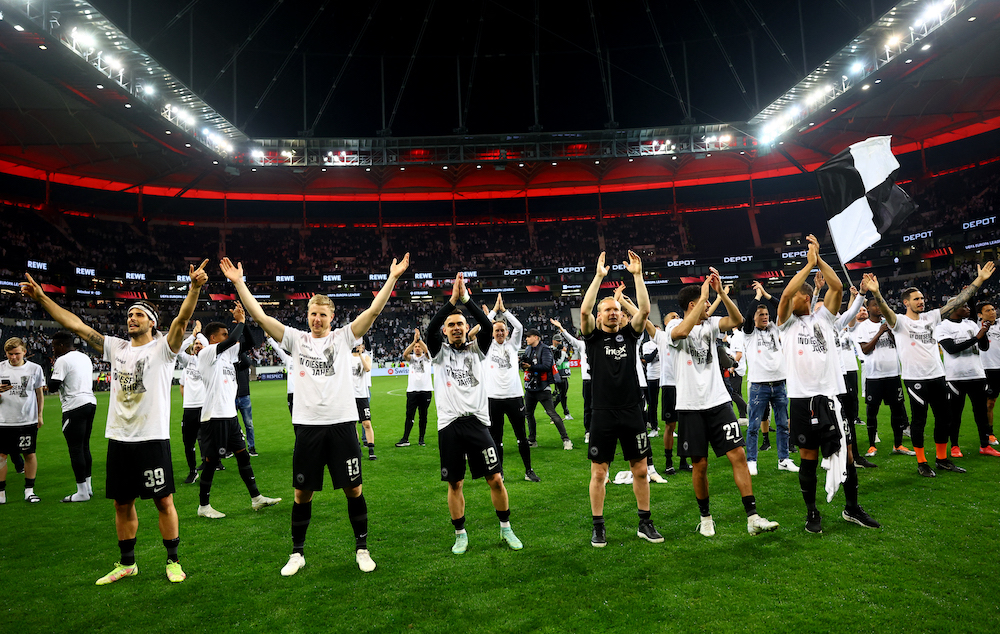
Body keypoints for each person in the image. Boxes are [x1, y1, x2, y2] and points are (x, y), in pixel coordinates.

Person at [21, 261, 210, 585]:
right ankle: (127, 563)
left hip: (152, 438)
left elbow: (181, 320)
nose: (131, 318)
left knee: (164, 500)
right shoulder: (117, 347)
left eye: (138, 314)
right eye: (129, 315)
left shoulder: (164, 349)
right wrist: (42, 299)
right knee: (122, 503)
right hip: (120, 438)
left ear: (151, 322)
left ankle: (173, 559)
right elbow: (78, 326)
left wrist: (194, 288)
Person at [220, 253, 409, 576]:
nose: (317, 319)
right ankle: (297, 553)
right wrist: (239, 284)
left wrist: (392, 277)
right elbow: (262, 318)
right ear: (307, 316)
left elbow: (374, 311)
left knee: (354, 489)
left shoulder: (344, 337)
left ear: (331, 318)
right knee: (301, 492)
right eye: (312, 314)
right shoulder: (297, 340)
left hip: (342, 426)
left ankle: (362, 549)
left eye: (322, 314)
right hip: (308, 428)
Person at [776, 235, 879, 533]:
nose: (791, 297)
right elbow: (784, 296)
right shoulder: (786, 323)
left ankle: (852, 508)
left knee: (845, 455)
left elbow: (835, 286)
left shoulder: (823, 317)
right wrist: (807, 266)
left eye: (798, 294)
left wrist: (819, 259)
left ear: (805, 298)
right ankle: (812, 513)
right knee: (808, 459)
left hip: (830, 397)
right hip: (801, 400)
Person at [670, 268, 779, 538]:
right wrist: (705, 294)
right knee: (700, 465)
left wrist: (719, 293)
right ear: (693, 305)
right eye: (705, 301)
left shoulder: (711, 324)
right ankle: (705, 517)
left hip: (719, 402)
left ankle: (752, 517)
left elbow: (738, 319)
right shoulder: (673, 326)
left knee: (738, 455)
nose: (710, 306)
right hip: (690, 406)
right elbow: (684, 330)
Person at [425, 273, 523, 555]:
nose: (456, 328)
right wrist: (450, 303)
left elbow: (487, 323)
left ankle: (506, 528)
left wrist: (466, 300)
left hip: (478, 423)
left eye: (460, 324)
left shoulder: (479, 349)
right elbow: (431, 329)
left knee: (495, 478)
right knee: (455, 482)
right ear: (446, 331)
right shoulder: (438, 352)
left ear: (468, 328)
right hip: (449, 426)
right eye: (451, 325)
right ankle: (460, 534)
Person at [867, 262, 995, 476]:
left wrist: (979, 280)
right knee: (919, 420)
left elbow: (958, 302)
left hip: (938, 376)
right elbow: (886, 311)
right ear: (906, 302)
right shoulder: (899, 322)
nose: (921, 301)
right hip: (915, 378)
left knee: (945, 419)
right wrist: (877, 292)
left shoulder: (931, 317)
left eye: (922, 298)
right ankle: (921, 462)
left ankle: (942, 459)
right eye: (916, 299)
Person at [580, 251, 664, 547]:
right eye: (607, 310)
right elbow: (583, 311)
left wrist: (638, 276)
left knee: (640, 470)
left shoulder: (630, 335)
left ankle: (645, 522)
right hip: (602, 412)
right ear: (599, 315)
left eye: (616, 309)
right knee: (599, 472)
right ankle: (598, 526)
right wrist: (599, 277)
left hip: (631, 412)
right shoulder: (591, 337)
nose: (613, 313)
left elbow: (643, 309)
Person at [195, 304, 281, 519]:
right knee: (211, 461)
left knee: (243, 456)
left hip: (230, 416)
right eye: (223, 334)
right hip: (214, 417)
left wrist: (244, 323)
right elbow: (232, 340)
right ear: (214, 337)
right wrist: (240, 322)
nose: (228, 336)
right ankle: (204, 506)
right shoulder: (207, 353)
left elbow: (249, 342)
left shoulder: (228, 356)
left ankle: (256, 498)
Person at [740, 280, 797, 476]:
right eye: (760, 314)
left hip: (780, 383)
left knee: (782, 424)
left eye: (766, 314)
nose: (765, 317)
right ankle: (751, 461)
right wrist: (757, 298)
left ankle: (784, 459)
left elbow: (782, 306)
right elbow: (747, 316)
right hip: (759, 386)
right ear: (755, 318)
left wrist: (766, 295)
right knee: (754, 425)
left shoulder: (775, 328)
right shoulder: (748, 333)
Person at [483, 294, 538, 481]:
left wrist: (504, 310)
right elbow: (483, 326)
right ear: (492, 332)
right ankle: (500, 472)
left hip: (514, 396)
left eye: (502, 330)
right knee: (496, 439)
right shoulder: (487, 347)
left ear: (507, 332)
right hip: (494, 398)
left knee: (521, 437)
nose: (499, 333)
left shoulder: (513, 345)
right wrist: (493, 312)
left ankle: (528, 471)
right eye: (496, 330)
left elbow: (520, 327)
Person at [935, 301, 999, 458]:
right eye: (965, 306)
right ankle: (955, 446)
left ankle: (985, 445)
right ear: (954, 309)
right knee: (955, 414)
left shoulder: (970, 324)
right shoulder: (942, 327)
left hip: (977, 374)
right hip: (955, 376)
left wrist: (984, 332)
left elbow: (984, 347)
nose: (968, 309)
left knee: (981, 413)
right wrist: (977, 337)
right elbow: (952, 349)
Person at [852, 296, 911, 458]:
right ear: (868, 308)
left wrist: (890, 332)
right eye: (874, 305)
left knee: (897, 411)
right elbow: (865, 349)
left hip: (893, 374)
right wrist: (879, 332)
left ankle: (898, 444)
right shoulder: (864, 327)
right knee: (872, 412)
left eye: (880, 305)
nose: (878, 308)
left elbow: (900, 345)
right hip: (874, 376)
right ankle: (871, 446)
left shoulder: (891, 324)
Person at [49, 331, 98, 502]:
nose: (53, 349)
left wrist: (51, 374)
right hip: (90, 402)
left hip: (74, 406)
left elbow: (53, 386)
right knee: (84, 446)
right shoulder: (84, 357)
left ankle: (82, 492)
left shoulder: (62, 360)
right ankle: (88, 487)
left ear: (61, 345)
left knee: (76, 449)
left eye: (54, 346)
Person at [0, 337, 45, 504]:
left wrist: (40, 415)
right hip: (3, 420)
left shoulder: (35, 369)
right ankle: (1, 493)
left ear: (24, 352)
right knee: (1, 455)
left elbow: (39, 394)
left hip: (26, 420)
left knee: (29, 453)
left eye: (16, 354)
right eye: (9, 354)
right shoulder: (0, 368)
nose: (13, 357)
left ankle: (29, 491)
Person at [550, 318, 591, 442]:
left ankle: (603, 431)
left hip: (601, 380)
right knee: (588, 407)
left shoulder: (600, 343)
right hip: (587, 380)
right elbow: (571, 339)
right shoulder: (583, 345)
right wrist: (561, 329)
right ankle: (588, 431)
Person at [177, 322, 208, 484]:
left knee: (207, 439)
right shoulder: (187, 362)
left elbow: (208, 345)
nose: (198, 346)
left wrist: (200, 334)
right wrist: (193, 335)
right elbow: (178, 349)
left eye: (200, 344)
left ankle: (211, 464)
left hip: (205, 406)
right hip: (189, 408)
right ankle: (192, 470)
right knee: (188, 441)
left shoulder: (209, 361)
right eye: (195, 345)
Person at [397, 329, 433, 447]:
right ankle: (405, 439)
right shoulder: (411, 359)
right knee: (409, 416)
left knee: (423, 416)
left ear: (422, 348)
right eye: (415, 347)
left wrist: (420, 339)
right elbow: (404, 354)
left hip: (425, 391)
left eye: (419, 346)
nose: (417, 348)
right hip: (412, 391)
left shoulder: (427, 358)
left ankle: (421, 439)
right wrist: (414, 341)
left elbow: (427, 350)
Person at [233, 319, 259, 456]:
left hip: (244, 396)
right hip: (232, 397)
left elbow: (247, 361)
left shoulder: (242, 360)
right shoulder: (228, 360)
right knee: (231, 426)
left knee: (249, 424)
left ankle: (252, 447)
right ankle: (232, 448)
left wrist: (238, 349)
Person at [979, 301, 1000, 444]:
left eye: (993, 309)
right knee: (990, 403)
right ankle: (989, 433)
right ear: (980, 315)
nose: (992, 312)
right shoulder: (976, 326)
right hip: (989, 368)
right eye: (988, 310)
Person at [352, 341, 377, 460]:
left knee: (367, 423)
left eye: (361, 345)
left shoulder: (366, 357)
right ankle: (357, 448)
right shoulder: (346, 357)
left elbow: (367, 368)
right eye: (357, 345)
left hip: (362, 395)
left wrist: (361, 355)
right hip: (350, 396)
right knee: (353, 424)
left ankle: (371, 450)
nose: (359, 346)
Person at [266, 335, 294, 415]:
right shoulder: (289, 360)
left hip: (301, 394)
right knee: (293, 418)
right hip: (291, 393)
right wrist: (270, 339)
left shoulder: (304, 360)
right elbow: (278, 350)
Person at [552, 334, 573, 420]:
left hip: (564, 374)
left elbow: (567, 359)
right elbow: (557, 363)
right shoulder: (552, 350)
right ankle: (566, 413)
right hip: (559, 375)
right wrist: (563, 352)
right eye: (557, 340)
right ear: (553, 340)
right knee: (563, 394)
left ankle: (551, 408)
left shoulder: (561, 349)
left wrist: (568, 354)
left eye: (560, 341)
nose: (559, 342)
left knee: (562, 394)